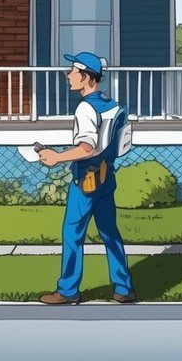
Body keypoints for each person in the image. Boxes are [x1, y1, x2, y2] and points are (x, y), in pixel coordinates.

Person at [36, 51, 136, 304]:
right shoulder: (111, 103)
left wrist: (55, 157)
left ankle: (68, 291)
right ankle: (124, 288)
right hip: (107, 176)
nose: (68, 76)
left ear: (86, 77)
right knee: (109, 232)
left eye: (72, 72)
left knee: (72, 234)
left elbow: (87, 148)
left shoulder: (85, 107)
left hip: (87, 180)